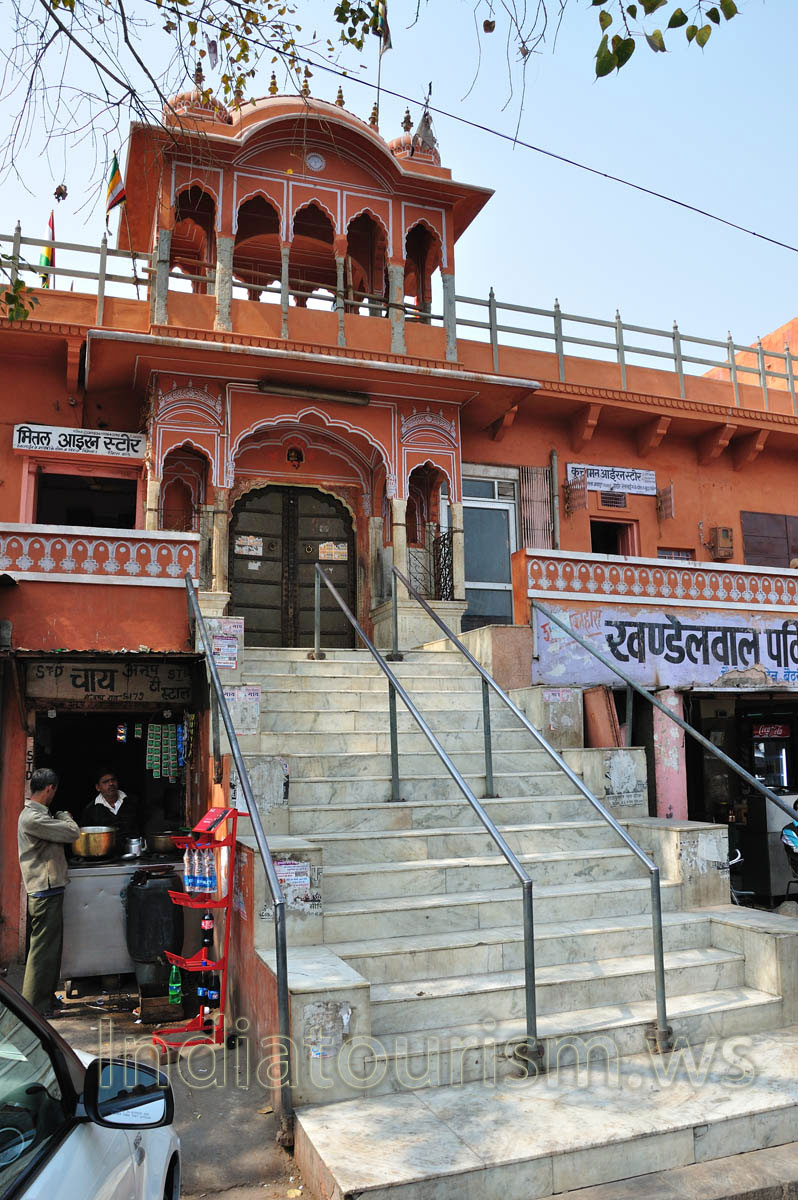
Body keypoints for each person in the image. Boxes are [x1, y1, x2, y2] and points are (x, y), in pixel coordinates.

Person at [17, 768, 79, 1016]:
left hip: (49, 889)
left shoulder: (37, 815)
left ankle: (47, 999)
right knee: (42, 952)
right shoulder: (33, 818)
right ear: (50, 789)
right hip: (44, 890)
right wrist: (65, 815)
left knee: (50, 949)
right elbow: (72, 832)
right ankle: (33, 1008)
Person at [80, 768, 142, 836]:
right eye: (105, 782)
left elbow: (143, 826)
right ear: (98, 787)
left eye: (113, 780)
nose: (111, 783)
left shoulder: (132, 800)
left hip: (133, 845)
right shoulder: (91, 810)